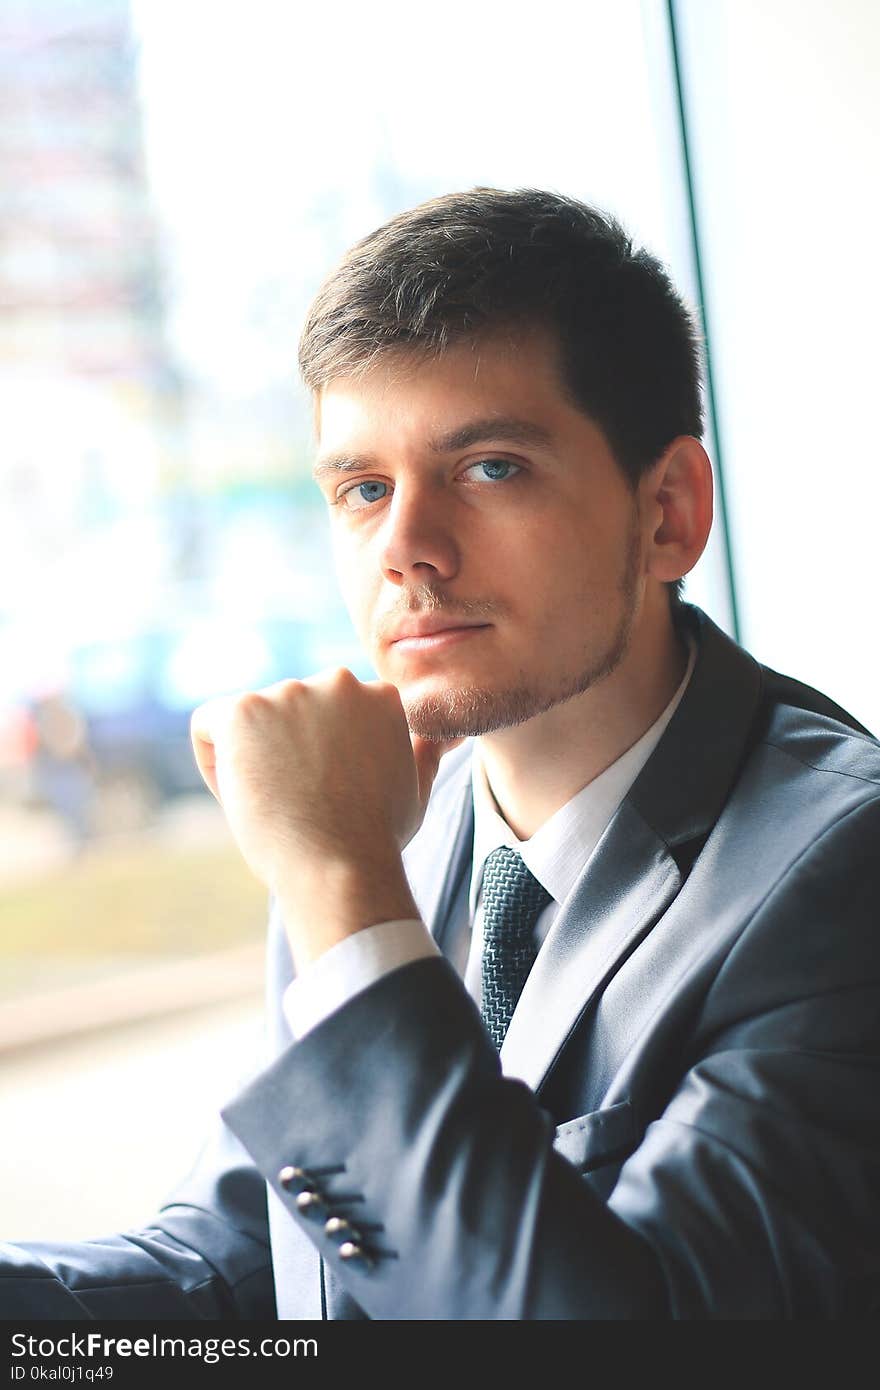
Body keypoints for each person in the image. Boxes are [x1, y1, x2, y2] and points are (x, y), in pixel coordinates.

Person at [3, 188, 879, 1320]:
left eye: (490, 467)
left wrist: (338, 886)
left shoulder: (840, 867)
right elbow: (248, 1254)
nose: (404, 549)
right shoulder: (381, 821)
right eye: (363, 488)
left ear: (667, 511)